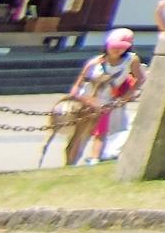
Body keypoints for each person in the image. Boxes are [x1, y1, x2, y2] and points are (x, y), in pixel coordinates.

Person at [51, 29, 143, 166]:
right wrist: (86, 100)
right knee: (79, 136)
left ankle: (94, 160)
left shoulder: (131, 60)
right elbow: (76, 88)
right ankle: (70, 164)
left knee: (101, 132)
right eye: (114, 46)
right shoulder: (95, 63)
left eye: (122, 47)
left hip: (106, 103)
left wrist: (125, 97)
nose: (117, 50)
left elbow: (140, 78)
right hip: (86, 103)